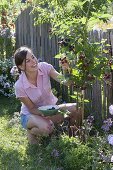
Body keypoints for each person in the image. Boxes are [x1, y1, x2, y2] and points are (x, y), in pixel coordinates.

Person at [13, 46, 82, 144]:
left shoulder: (44, 67)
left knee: (77, 108)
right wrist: (44, 114)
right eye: (28, 61)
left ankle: (72, 139)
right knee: (47, 128)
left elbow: (67, 82)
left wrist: (66, 69)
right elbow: (32, 109)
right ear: (21, 67)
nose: (34, 61)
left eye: (33, 57)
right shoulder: (19, 86)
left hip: (51, 110)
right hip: (31, 115)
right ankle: (32, 131)